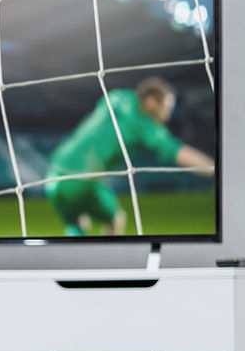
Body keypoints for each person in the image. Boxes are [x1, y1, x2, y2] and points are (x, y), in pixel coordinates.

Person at [44, 77, 215, 236]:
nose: (169, 115)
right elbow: (178, 152)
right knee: (117, 219)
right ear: (151, 102)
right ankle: (108, 266)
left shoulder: (118, 96)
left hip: (54, 173)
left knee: (79, 223)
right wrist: (214, 169)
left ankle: (76, 260)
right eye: (166, 108)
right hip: (80, 180)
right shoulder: (144, 124)